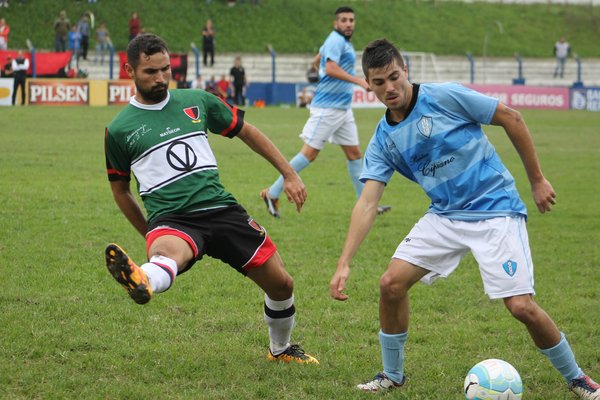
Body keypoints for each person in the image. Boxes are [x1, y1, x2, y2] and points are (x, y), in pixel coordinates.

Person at [329, 38, 600, 399]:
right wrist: (344, 263)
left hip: (495, 208)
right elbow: (367, 202)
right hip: (446, 215)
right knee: (391, 284)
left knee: (520, 306)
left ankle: (579, 378)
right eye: (379, 83)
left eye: (394, 77)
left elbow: (510, 117)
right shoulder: (383, 140)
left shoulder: (445, 96)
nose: (389, 88)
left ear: (405, 70)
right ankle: (392, 375)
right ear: (368, 84)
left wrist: (537, 180)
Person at [103, 33, 319, 365]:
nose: (160, 78)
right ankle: (141, 278)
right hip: (173, 219)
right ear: (128, 69)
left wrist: (289, 173)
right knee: (167, 257)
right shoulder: (118, 130)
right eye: (150, 72)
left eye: (165, 69)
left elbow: (247, 131)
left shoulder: (197, 101)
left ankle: (281, 350)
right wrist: (150, 232)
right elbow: (121, 190)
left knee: (281, 284)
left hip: (222, 210)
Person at [259, 6, 390, 218]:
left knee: (354, 154)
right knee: (309, 154)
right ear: (335, 23)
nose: (348, 24)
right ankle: (272, 193)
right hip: (327, 108)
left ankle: (367, 205)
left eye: (351, 20)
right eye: (344, 20)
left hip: (342, 109)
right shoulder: (336, 40)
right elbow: (330, 67)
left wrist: (314, 64)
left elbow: (320, 56)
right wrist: (358, 80)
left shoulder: (339, 41)